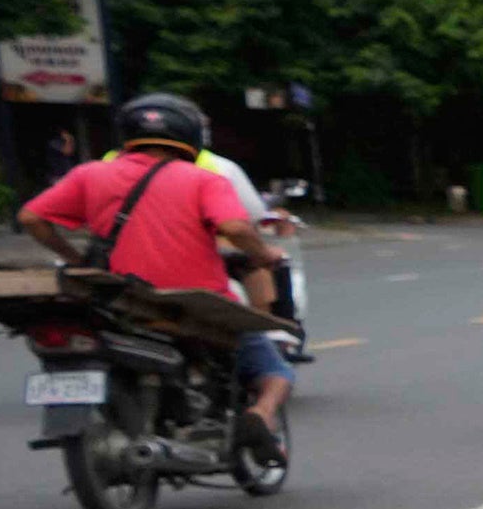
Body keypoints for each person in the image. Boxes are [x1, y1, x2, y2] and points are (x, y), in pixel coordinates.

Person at [17, 91, 294, 452]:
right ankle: (261, 413)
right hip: (195, 304)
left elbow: (30, 217)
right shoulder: (204, 179)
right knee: (274, 369)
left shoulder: (90, 173)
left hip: (118, 299)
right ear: (190, 136)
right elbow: (239, 229)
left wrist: (73, 258)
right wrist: (263, 253)